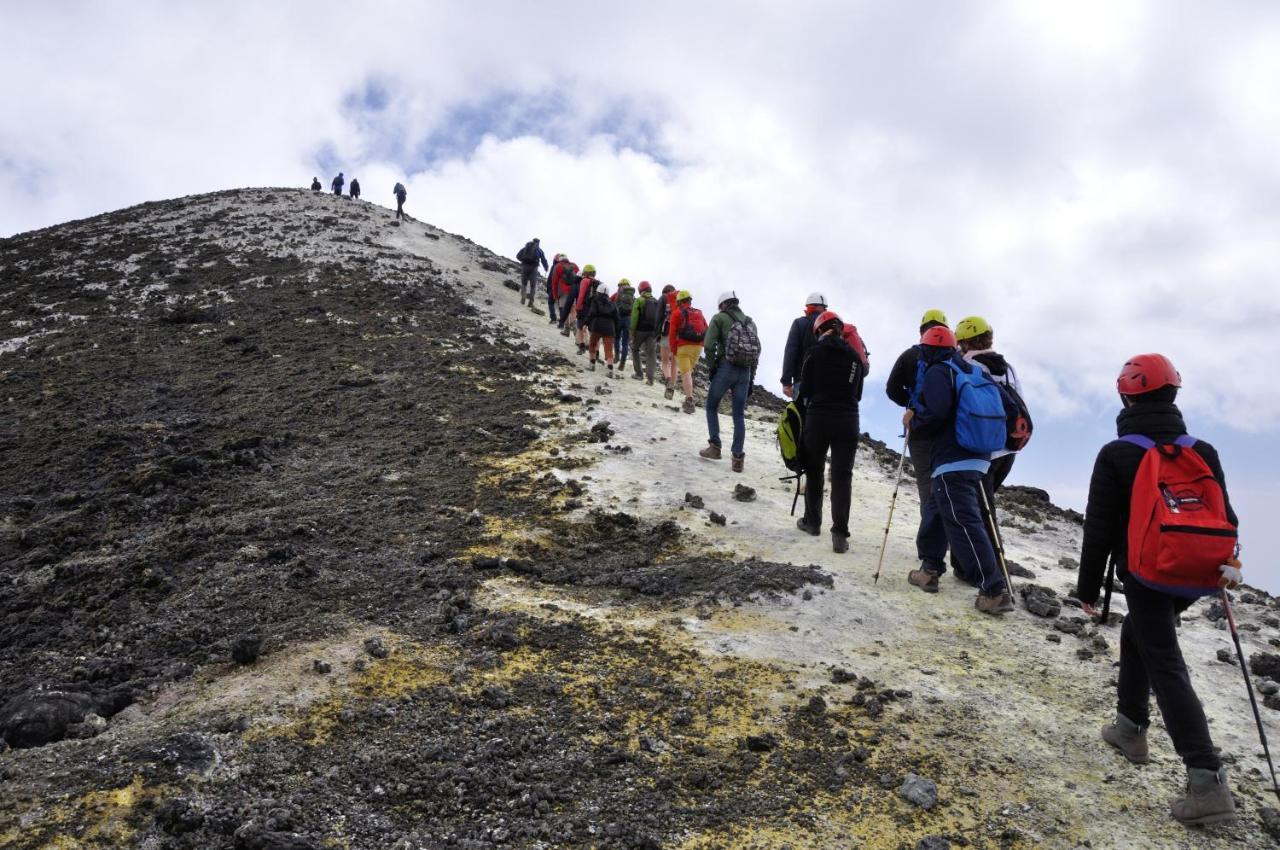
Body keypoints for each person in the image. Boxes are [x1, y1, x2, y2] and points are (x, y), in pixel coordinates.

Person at [1074, 354, 1238, 826]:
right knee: (1141, 633)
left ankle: (1206, 782)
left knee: (1164, 660)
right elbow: (1226, 516)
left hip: (1146, 574)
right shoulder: (1201, 450)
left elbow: (1099, 529)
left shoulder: (1117, 453)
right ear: (1173, 395)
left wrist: (1088, 588)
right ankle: (1130, 726)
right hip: (1197, 573)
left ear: (1126, 397)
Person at [904, 326, 1012, 614]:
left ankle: (993, 588)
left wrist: (914, 422)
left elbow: (937, 413)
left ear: (926, 350)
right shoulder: (976, 370)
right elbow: (1010, 407)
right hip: (979, 455)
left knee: (963, 523)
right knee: (936, 511)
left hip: (952, 457)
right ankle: (930, 568)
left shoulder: (939, 371)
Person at [793, 310, 864, 552]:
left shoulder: (813, 353)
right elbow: (858, 394)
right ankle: (840, 535)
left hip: (819, 417)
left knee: (815, 470)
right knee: (842, 476)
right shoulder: (855, 357)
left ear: (819, 331)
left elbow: (804, 392)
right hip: (848, 419)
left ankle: (812, 522)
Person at [955, 315, 1023, 530]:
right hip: (1009, 449)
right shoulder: (1008, 367)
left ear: (965, 341)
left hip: (982, 448)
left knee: (981, 512)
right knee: (983, 506)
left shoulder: (968, 365)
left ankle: (990, 561)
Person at [886, 309, 950, 516]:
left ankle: (931, 540)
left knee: (926, 483)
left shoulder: (909, 355)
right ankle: (952, 538)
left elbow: (892, 389)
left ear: (921, 331)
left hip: (918, 428)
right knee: (948, 483)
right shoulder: (954, 359)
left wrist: (912, 405)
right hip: (948, 430)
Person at [698, 291, 758, 473]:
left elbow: (708, 345)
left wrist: (712, 367)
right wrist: (752, 379)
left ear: (723, 305)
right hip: (745, 372)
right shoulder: (750, 322)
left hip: (726, 368)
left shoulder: (719, 318)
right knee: (738, 415)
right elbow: (755, 353)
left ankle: (715, 447)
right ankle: (737, 458)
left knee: (711, 406)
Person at [780, 292, 828, 399]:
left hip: (802, 380)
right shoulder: (831, 326)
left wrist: (786, 382)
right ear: (824, 308)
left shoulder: (800, 323)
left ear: (809, 306)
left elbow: (790, 352)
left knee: (802, 414)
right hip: (827, 382)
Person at [668, 291, 705, 414]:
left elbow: (672, 334)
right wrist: (702, 344)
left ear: (679, 302)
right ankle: (688, 397)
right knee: (689, 372)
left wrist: (673, 350)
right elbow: (707, 328)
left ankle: (689, 401)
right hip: (698, 347)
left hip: (684, 347)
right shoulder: (699, 312)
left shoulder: (677, 313)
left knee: (685, 373)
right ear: (690, 300)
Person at [583, 282, 621, 377]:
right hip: (610, 328)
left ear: (598, 292)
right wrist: (616, 331)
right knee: (608, 349)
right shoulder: (613, 304)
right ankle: (610, 370)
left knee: (592, 345)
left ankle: (592, 365)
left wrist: (586, 323)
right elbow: (617, 319)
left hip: (597, 326)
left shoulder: (595, 301)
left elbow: (592, 313)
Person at [629, 282, 661, 384]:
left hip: (640, 330)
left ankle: (639, 374)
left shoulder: (639, 300)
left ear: (640, 290)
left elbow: (634, 317)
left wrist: (632, 331)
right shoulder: (656, 301)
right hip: (653, 332)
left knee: (635, 349)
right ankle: (650, 379)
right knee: (651, 353)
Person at [657, 285, 679, 395]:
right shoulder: (680, 299)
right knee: (675, 364)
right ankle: (672, 388)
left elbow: (659, 316)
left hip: (667, 331)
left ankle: (669, 381)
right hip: (679, 335)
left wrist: (656, 334)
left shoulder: (663, 298)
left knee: (665, 362)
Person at [573, 265, 598, 354]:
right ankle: (595, 352)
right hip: (594, 310)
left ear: (586, 272)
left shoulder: (585, 281)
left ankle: (582, 347)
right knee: (593, 331)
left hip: (584, 308)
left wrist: (578, 308)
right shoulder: (598, 283)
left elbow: (581, 296)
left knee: (580, 328)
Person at [516, 238, 548, 308]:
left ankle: (523, 296)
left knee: (524, 283)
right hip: (534, 268)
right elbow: (543, 260)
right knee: (533, 286)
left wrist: (523, 261)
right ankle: (531, 302)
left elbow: (518, 256)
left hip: (525, 266)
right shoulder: (540, 250)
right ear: (539, 243)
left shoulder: (525, 248)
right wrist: (546, 267)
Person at [613, 279, 635, 370]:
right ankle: (622, 363)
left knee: (616, 338)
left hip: (619, 318)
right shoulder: (633, 296)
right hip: (628, 320)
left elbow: (614, 306)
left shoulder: (619, 295)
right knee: (625, 342)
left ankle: (617, 355)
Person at [556, 259, 581, 336]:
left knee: (565, 310)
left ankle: (567, 330)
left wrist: (556, 294)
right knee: (573, 310)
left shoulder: (559, 266)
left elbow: (555, 280)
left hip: (563, 291)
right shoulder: (574, 265)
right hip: (573, 290)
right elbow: (579, 276)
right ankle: (575, 328)